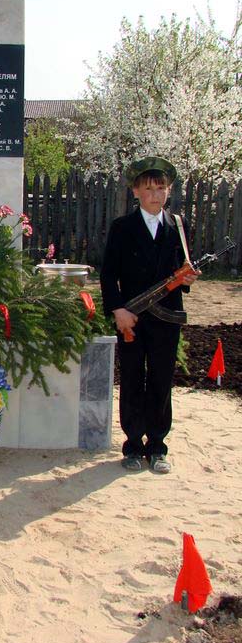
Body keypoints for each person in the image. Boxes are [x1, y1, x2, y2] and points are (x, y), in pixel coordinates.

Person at [100, 156, 200, 474]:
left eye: (161, 188)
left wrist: (186, 279)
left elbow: (181, 274)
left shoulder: (179, 227)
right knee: (131, 379)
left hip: (167, 318)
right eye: (149, 188)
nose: (156, 195)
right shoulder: (122, 228)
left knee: (160, 380)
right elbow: (108, 274)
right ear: (136, 192)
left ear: (168, 191)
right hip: (132, 316)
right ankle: (132, 445)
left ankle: (157, 445)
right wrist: (118, 310)